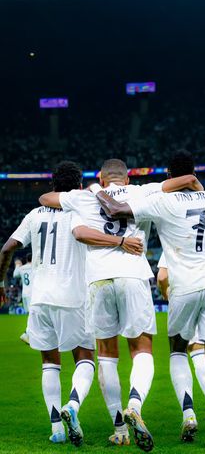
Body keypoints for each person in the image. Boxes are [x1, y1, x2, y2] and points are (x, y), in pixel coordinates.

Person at [39, 158, 203, 452]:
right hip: (133, 275)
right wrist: (193, 182)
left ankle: (118, 428)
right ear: (126, 179)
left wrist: (86, 191)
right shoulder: (143, 191)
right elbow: (185, 180)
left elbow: (45, 199)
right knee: (142, 350)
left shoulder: (84, 197)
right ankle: (135, 404)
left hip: (98, 280)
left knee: (107, 356)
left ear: (101, 178)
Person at [91, 150, 205, 449]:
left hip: (183, 287)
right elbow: (195, 186)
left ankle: (188, 412)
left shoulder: (159, 201)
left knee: (178, 351)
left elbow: (116, 209)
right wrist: (194, 182)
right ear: (193, 174)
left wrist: (96, 189)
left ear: (169, 177)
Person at [0, 160, 142, 447]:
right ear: (79, 186)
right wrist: (120, 241)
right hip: (74, 297)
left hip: (39, 300)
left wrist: (1, 283)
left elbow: (7, 248)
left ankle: (56, 428)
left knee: (49, 365)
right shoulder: (81, 210)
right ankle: (73, 405)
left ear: (53, 185)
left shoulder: (34, 215)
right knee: (86, 359)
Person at [157, 234, 205, 399]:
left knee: (186, 349)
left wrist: (167, 294)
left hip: (187, 293)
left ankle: (190, 412)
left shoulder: (175, 236)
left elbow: (162, 277)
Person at [13, 253, 32, 344]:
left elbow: (15, 275)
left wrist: (17, 265)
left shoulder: (22, 268)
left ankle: (29, 333)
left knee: (31, 314)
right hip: (34, 294)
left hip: (25, 294)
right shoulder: (35, 267)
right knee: (33, 315)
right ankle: (26, 334)